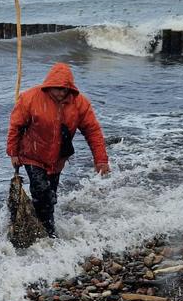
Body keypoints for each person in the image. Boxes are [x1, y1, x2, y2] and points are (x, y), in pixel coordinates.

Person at [6, 62, 109, 237]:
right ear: (49, 86)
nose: (61, 93)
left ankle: (44, 229)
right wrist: (13, 152)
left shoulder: (80, 103)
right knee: (41, 191)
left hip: (58, 159)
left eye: (65, 89)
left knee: (49, 196)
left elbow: (93, 131)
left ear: (71, 89)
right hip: (32, 155)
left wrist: (101, 160)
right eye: (57, 89)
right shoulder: (30, 98)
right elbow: (15, 126)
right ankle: (48, 232)